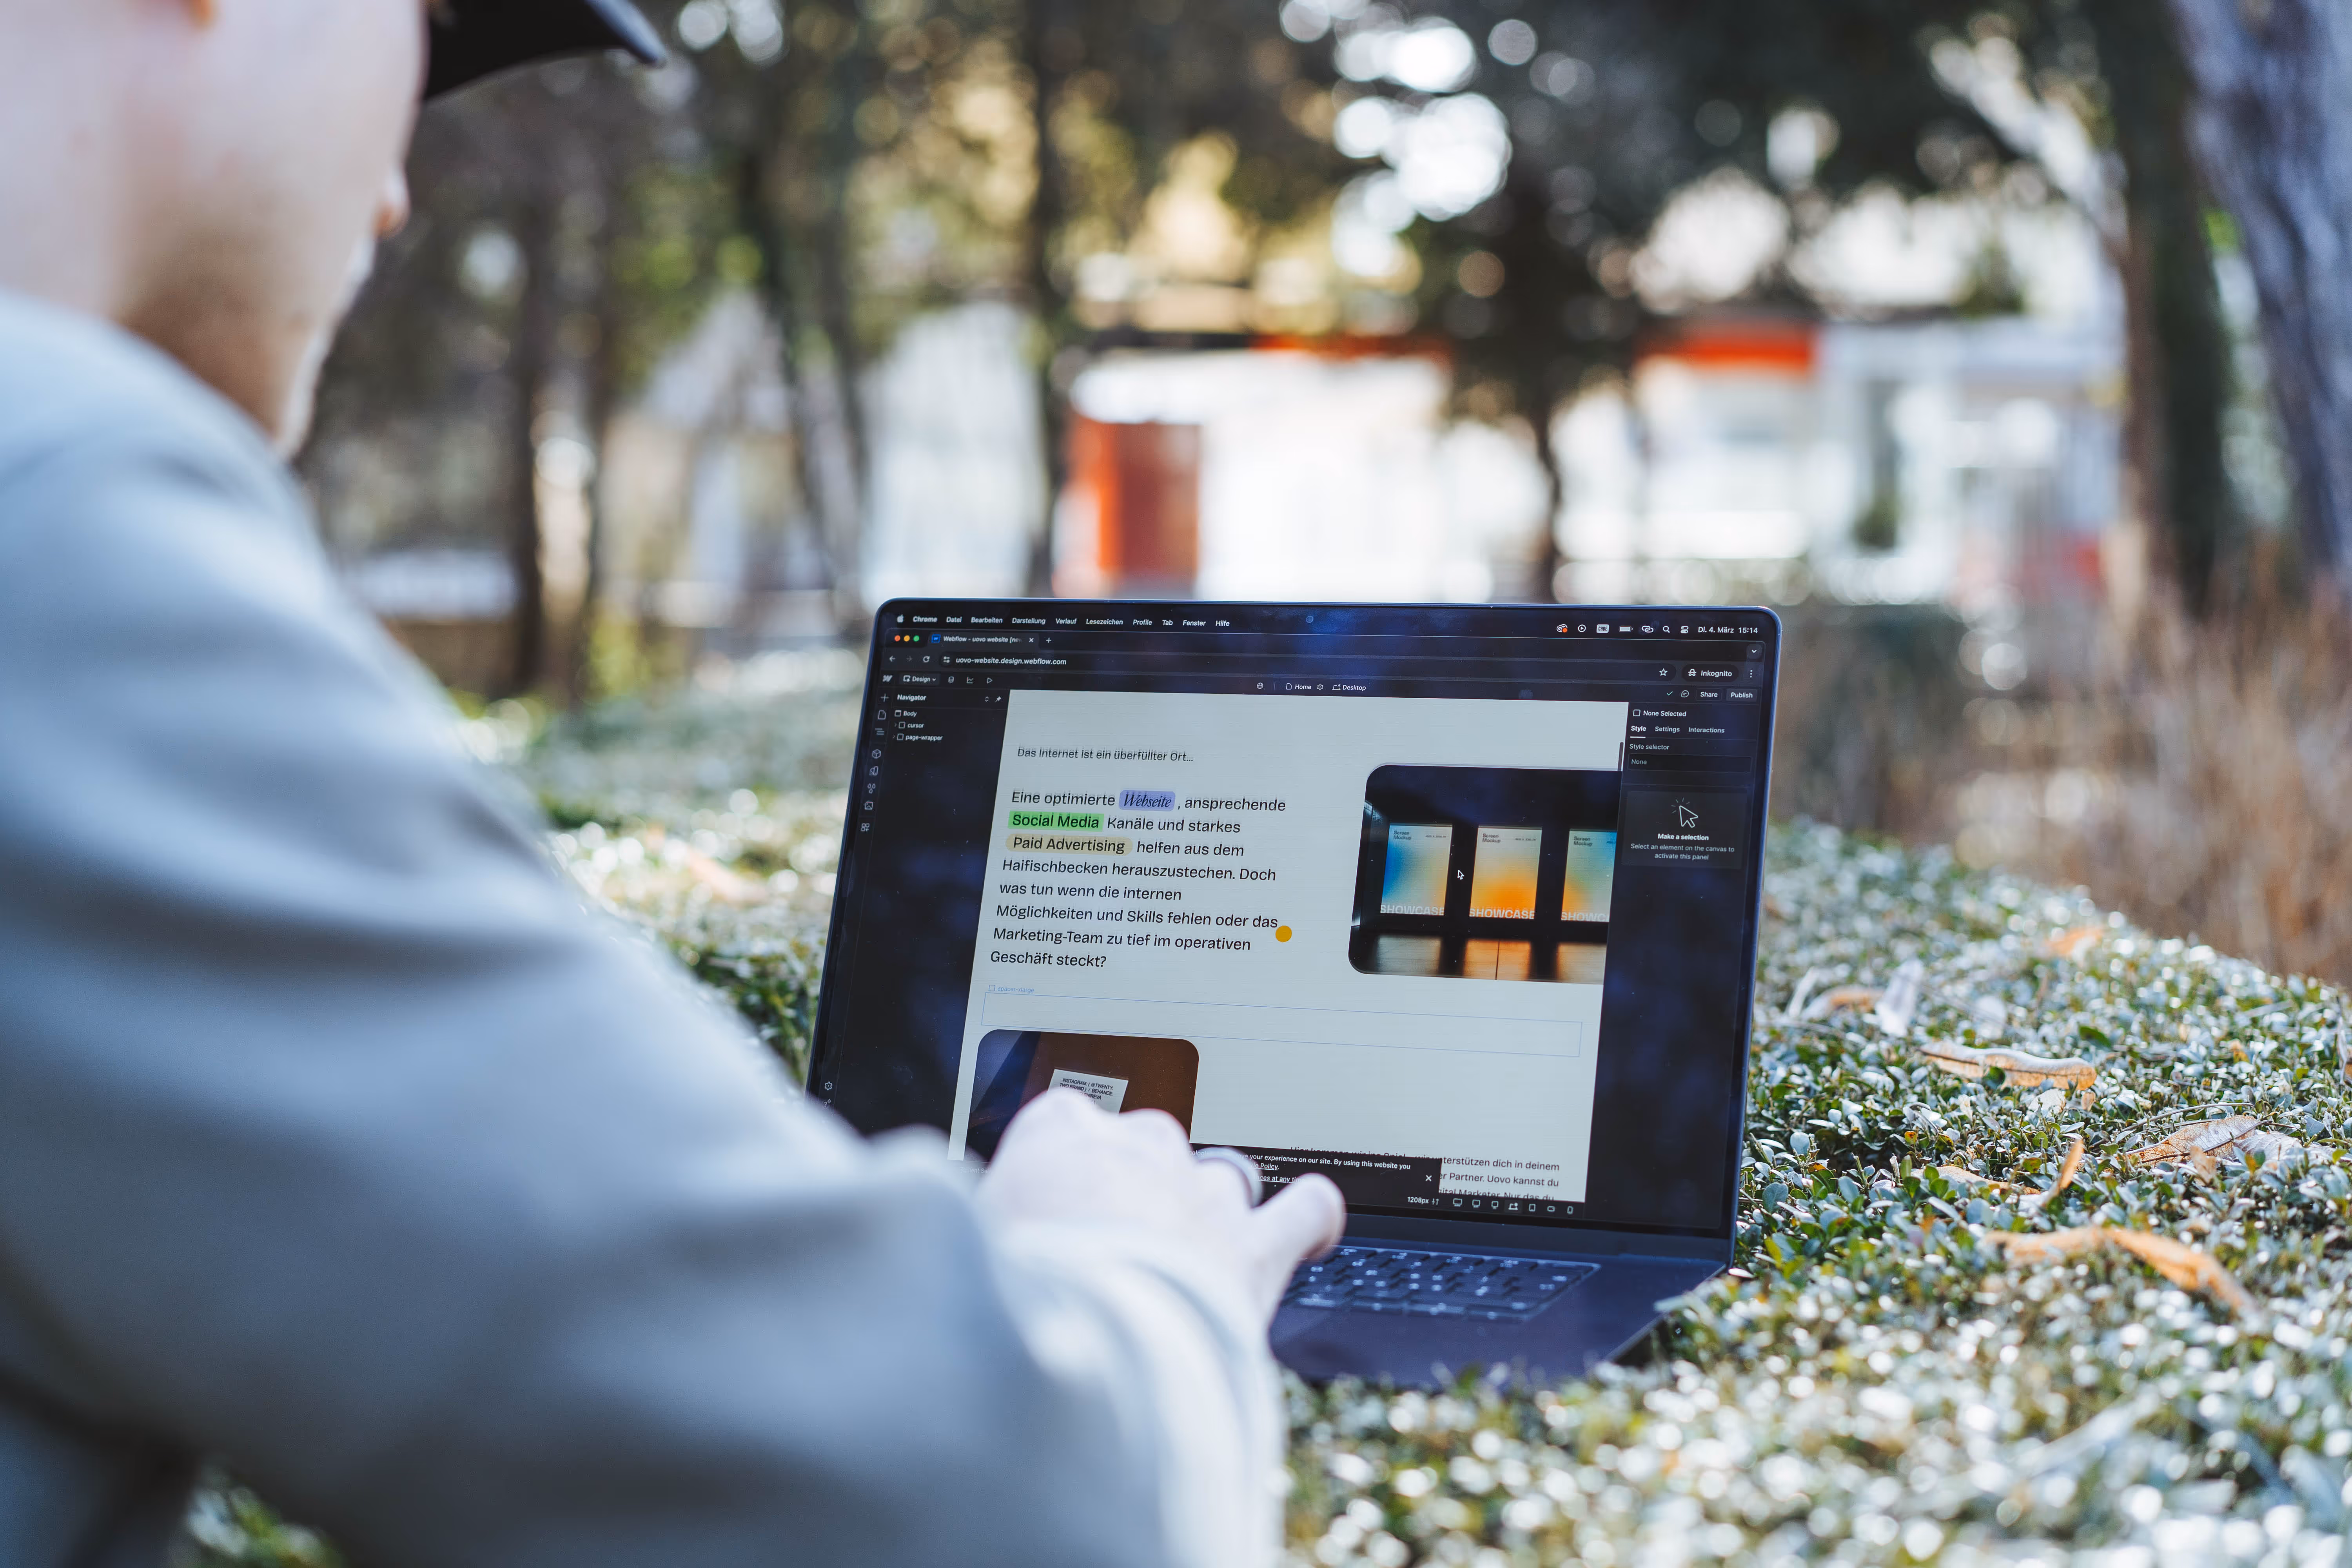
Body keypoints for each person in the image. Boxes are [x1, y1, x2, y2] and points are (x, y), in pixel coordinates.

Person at [0, 2, 1347, 1565]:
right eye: (421, 36)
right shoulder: (51, 519)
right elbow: (1000, 1509)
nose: (394, 191)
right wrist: (1134, 1271)